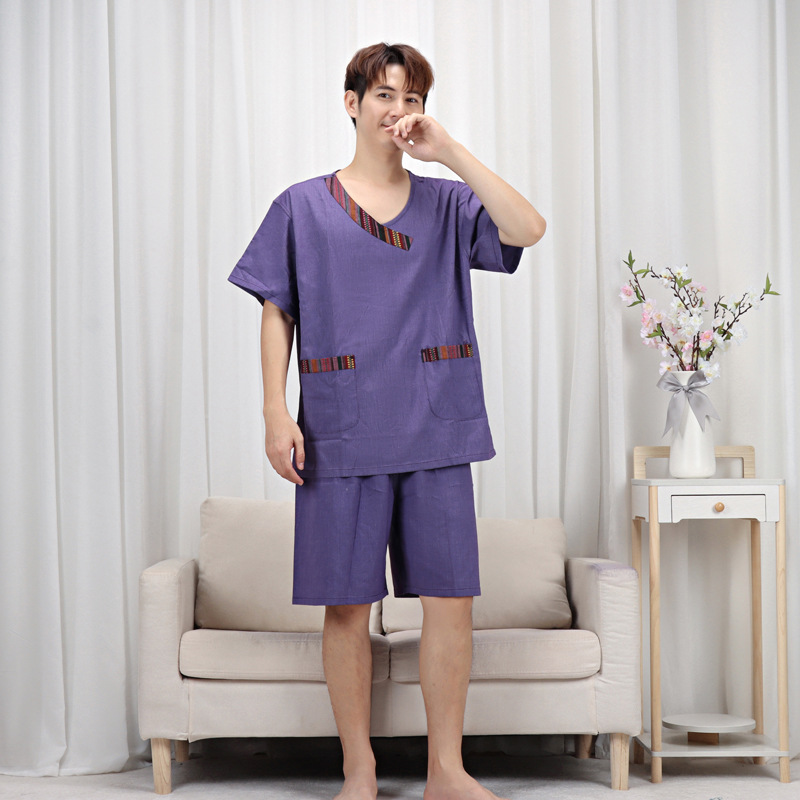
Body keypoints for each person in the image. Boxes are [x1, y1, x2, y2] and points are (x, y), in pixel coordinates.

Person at [229, 42, 545, 800]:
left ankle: (446, 770)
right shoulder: (301, 206)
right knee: (346, 605)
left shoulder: (449, 204)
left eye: (411, 99)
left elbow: (529, 228)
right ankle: (360, 769)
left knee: (451, 601)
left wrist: (451, 152)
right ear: (351, 103)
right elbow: (277, 309)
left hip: (436, 425)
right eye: (383, 95)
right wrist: (275, 410)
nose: (397, 110)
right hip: (340, 428)